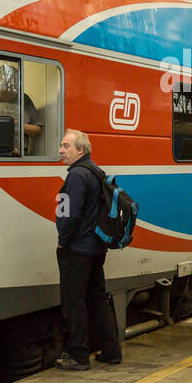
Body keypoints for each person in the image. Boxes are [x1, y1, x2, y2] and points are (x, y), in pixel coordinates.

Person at [53, 129, 122, 370]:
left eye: (66, 146)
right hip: (95, 248)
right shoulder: (96, 171)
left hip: (77, 249)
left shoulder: (76, 176)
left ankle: (78, 356)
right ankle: (112, 351)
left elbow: (69, 214)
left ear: (80, 150)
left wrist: (63, 239)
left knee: (74, 302)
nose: (61, 150)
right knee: (98, 298)